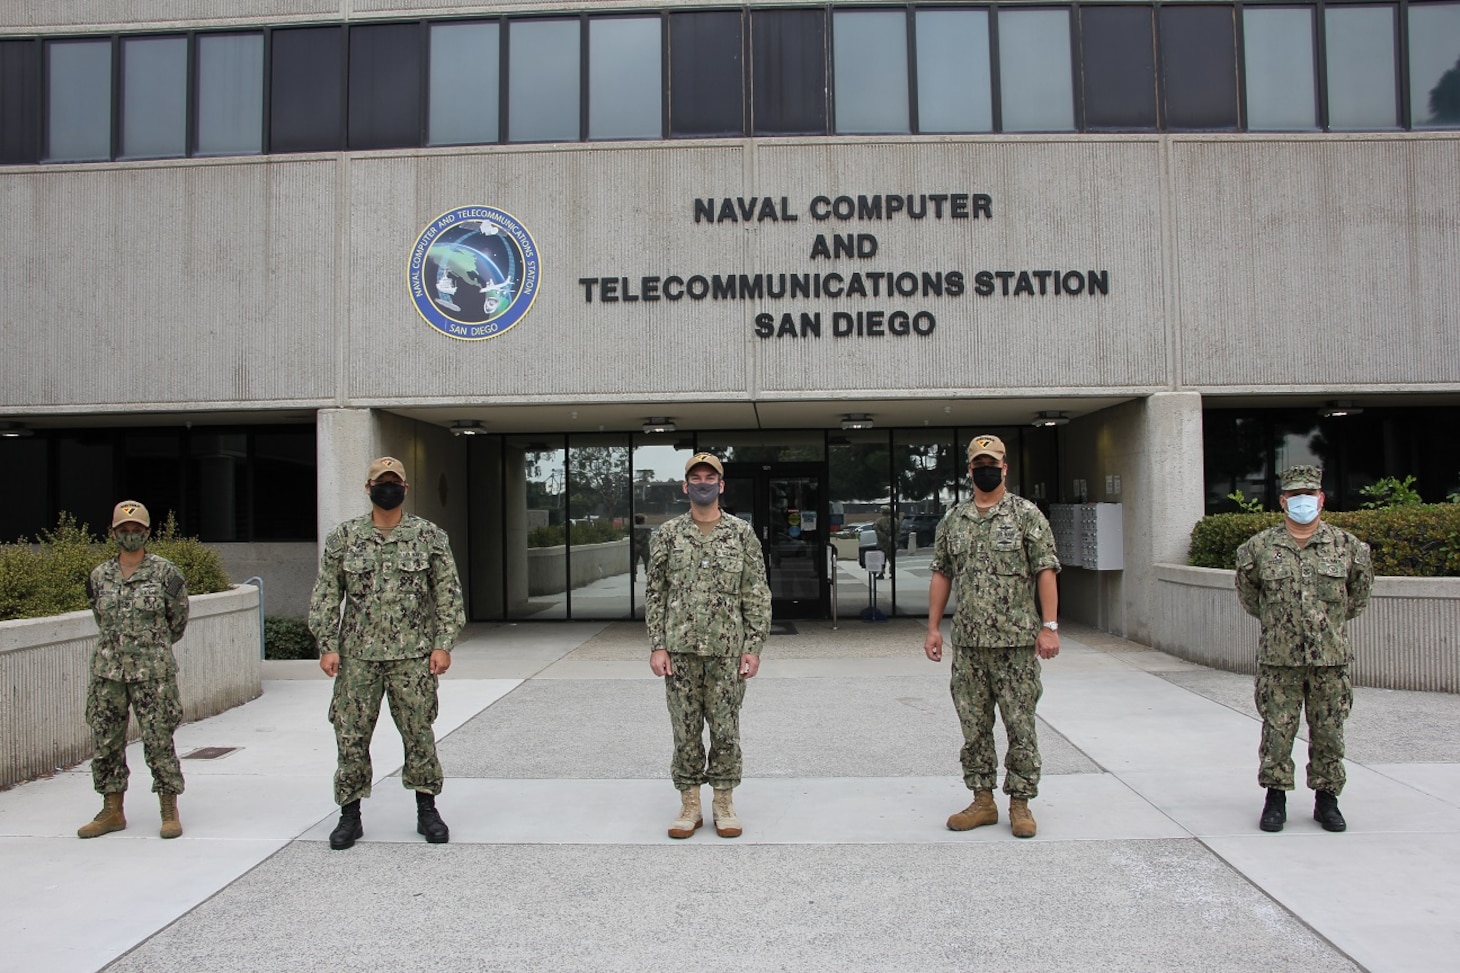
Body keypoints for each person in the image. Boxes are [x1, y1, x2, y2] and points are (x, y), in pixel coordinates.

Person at [308, 456, 466, 850]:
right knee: (351, 736)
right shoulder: (344, 538)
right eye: (381, 482)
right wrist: (327, 645)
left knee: (418, 735)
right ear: (368, 488)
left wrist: (443, 644)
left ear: (405, 489)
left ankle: (426, 810)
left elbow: (448, 594)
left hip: (412, 657)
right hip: (357, 657)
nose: (388, 487)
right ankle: (349, 814)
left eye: (395, 482)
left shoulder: (429, 536)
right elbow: (326, 595)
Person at [924, 435, 1061, 838]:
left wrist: (1049, 627)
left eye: (993, 463)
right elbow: (941, 573)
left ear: (1004, 468)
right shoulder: (954, 520)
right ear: (970, 470)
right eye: (978, 463)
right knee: (974, 726)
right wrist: (933, 627)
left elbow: (1046, 571)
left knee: (1020, 725)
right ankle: (982, 800)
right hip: (968, 645)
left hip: (1016, 644)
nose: (986, 469)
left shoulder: (1026, 515)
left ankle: (1020, 803)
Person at [1235, 464, 1373, 833]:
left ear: (1321, 499)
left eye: (1309, 496)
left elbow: (1356, 598)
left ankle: (1327, 801)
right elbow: (1252, 599)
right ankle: (1275, 798)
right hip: (1280, 659)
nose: (1302, 502)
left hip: (1330, 658)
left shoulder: (1348, 547)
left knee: (1329, 730)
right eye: (1295, 496)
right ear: (1283, 501)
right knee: (1277, 730)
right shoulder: (1259, 548)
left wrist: (1326, 627)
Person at [646, 452, 772, 839]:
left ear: (721, 485)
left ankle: (723, 802)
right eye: (695, 477)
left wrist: (753, 646)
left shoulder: (741, 533)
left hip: (727, 652)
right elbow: (656, 593)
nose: (703, 483)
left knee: (725, 729)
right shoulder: (667, 535)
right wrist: (658, 645)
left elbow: (756, 593)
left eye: (710, 477)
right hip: (680, 651)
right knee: (684, 730)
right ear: (685, 486)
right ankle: (689, 805)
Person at [77, 500, 190, 840]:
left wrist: (149, 647)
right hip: (108, 672)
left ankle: (168, 808)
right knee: (106, 740)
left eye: (136, 531)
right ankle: (112, 809)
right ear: (113, 534)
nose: (130, 536)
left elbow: (178, 621)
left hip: (152, 674)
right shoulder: (99, 576)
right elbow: (101, 619)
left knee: (158, 739)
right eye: (123, 531)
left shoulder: (166, 574)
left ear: (148, 533)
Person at [873, 505, 897, 579]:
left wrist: (885, 538)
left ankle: (881, 573)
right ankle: (892, 573)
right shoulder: (895, 521)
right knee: (892, 559)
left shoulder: (878, 521)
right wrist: (893, 538)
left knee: (881, 559)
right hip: (892, 543)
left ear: (882, 512)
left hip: (882, 544)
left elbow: (877, 532)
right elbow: (899, 531)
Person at [632, 513, 653, 580]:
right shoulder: (646, 528)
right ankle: (648, 575)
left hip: (635, 546)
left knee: (634, 562)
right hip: (644, 547)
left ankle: (634, 576)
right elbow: (648, 537)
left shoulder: (634, 528)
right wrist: (641, 544)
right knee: (647, 562)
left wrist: (636, 544)